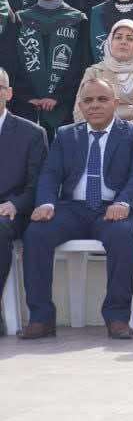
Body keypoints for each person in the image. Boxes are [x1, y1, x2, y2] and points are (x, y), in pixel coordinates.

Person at [19, 77, 133, 340]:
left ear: (115, 103)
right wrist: (46, 202)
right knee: (36, 233)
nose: (94, 105)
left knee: (121, 235)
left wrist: (123, 202)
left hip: (114, 208)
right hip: (73, 209)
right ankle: (41, 318)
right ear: (80, 105)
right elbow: (50, 174)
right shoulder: (66, 134)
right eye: (88, 100)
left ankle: (117, 317)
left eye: (102, 99)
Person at [7, 0, 88, 137]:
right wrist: (28, 96)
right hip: (27, 107)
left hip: (66, 106)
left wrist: (59, 96)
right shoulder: (20, 19)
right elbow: (13, 62)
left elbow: (80, 64)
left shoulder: (78, 19)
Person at [0, 66, 47, 336]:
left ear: (8, 93)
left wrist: (15, 204)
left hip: (13, 212)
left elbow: (37, 184)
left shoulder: (31, 133)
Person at [76, 19, 133, 148]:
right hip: (103, 134)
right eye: (118, 37)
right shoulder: (94, 72)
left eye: (130, 39)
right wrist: (108, 132)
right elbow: (80, 111)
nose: (123, 42)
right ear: (110, 42)